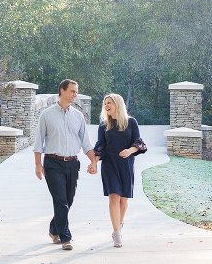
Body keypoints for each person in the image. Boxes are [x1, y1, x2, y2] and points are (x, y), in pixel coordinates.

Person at [34, 79, 97, 251]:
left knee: (68, 200)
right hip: (53, 163)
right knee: (60, 201)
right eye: (72, 91)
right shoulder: (46, 114)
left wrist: (93, 161)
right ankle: (65, 237)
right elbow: (39, 142)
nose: (75, 95)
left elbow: (86, 142)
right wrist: (38, 165)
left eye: (76, 92)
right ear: (61, 91)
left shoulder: (78, 116)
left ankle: (54, 228)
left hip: (72, 164)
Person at [93, 93, 147, 248]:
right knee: (114, 197)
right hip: (109, 165)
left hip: (126, 165)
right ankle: (117, 233)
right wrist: (94, 163)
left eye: (109, 102)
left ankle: (119, 223)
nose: (106, 105)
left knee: (123, 200)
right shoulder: (104, 125)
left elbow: (138, 143)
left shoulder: (131, 122)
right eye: (105, 103)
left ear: (117, 104)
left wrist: (129, 151)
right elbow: (100, 146)